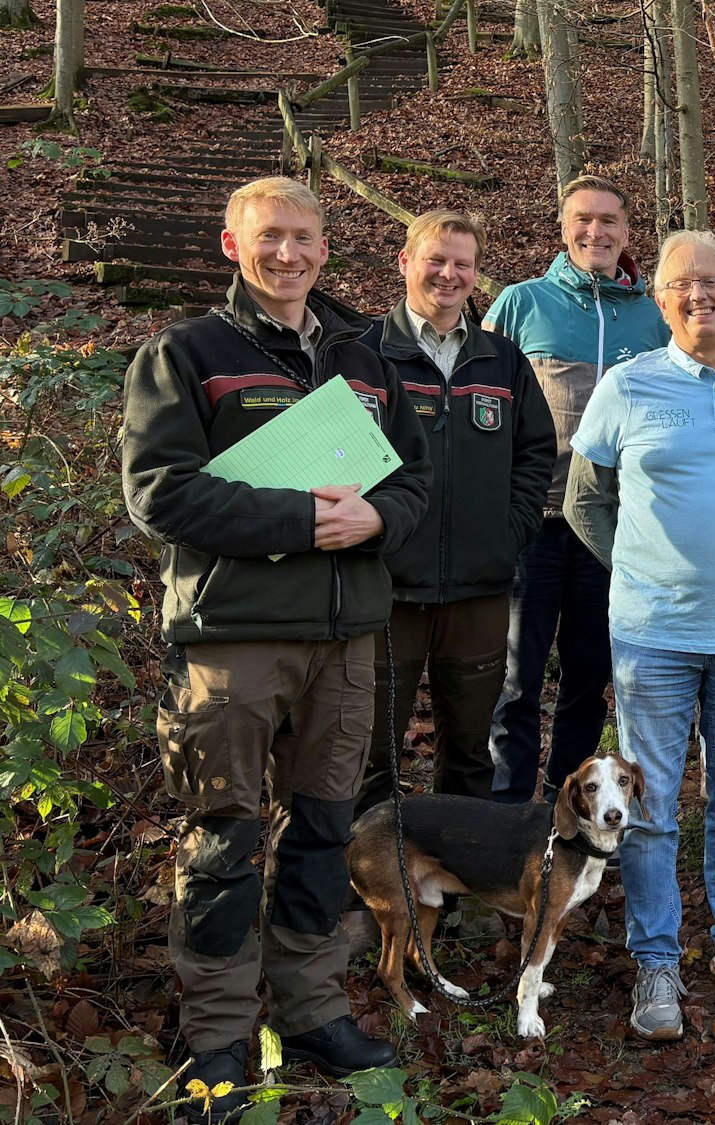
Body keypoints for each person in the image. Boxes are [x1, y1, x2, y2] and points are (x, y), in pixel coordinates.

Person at [121, 176, 425, 1119]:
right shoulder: (185, 353)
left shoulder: (365, 364)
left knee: (324, 834)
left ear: (327, 250)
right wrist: (301, 518)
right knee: (223, 837)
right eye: (268, 238)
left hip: (345, 642)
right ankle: (215, 1034)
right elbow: (159, 494)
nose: (287, 254)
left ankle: (312, 1010)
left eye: (303, 238)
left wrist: (378, 520)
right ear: (230, 245)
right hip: (235, 641)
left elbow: (413, 486)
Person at [564, 230, 715, 1039]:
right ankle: (657, 960)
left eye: (713, 281)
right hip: (653, 638)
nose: (698, 295)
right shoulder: (627, 386)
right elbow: (585, 500)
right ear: (659, 299)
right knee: (653, 805)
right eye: (679, 285)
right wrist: (644, 570)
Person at [357, 210, 556, 814]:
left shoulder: (503, 361)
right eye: (436, 260)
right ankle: (372, 889)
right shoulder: (363, 355)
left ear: (476, 274)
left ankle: (458, 888)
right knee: (373, 754)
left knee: (470, 752)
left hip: (479, 589)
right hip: (384, 588)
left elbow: (535, 453)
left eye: (462, 264)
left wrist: (510, 532)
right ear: (405, 263)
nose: (448, 274)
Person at [483, 176, 669, 804]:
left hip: (610, 526)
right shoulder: (520, 303)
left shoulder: (653, 315)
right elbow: (481, 403)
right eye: (583, 220)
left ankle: (568, 820)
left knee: (589, 680)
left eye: (609, 221)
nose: (597, 232)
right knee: (515, 680)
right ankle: (507, 818)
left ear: (626, 231)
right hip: (532, 522)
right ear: (563, 229)